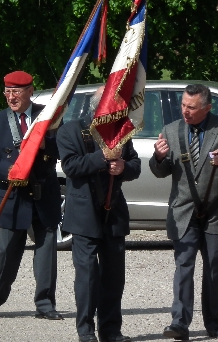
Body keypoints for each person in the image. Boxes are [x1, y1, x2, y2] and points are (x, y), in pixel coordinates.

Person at [148, 84, 218, 340]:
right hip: (184, 211)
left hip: (217, 210)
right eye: (183, 105)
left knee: (213, 269)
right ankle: (179, 323)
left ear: (207, 108)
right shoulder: (171, 130)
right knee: (184, 266)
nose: (185, 111)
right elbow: (161, 171)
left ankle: (215, 323)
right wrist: (157, 158)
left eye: (192, 107)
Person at [56, 86, 141, 342]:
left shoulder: (122, 132)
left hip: (113, 212)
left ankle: (111, 330)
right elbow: (70, 166)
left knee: (114, 276)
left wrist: (123, 167)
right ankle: (85, 330)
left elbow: (135, 165)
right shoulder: (71, 130)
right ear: (98, 109)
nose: (117, 113)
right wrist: (101, 157)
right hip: (84, 214)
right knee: (88, 275)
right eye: (112, 109)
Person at [0, 70, 63, 321]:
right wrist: (8, 171)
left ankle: (45, 303)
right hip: (13, 195)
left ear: (30, 91)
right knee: (6, 251)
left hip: (43, 192)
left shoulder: (47, 117)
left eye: (16, 91)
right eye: (7, 91)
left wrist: (48, 144)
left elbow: (62, 149)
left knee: (46, 251)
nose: (11, 97)